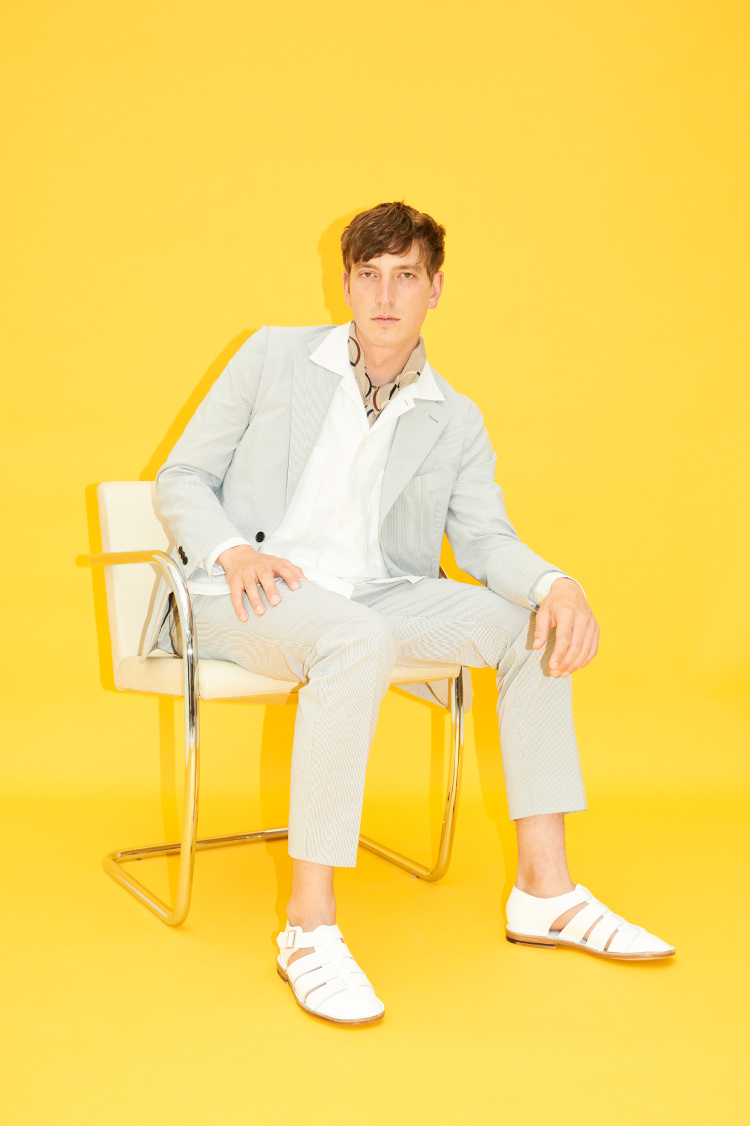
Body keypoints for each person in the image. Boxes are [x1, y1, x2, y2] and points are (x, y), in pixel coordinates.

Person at [143, 201, 674, 1026]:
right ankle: (308, 927)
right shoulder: (272, 356)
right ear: (346, 284)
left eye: (405, 275)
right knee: (356, 639)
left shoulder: (454, 417)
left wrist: (555, 586)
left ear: (435, 288)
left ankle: (546, 891)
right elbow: (181, 477)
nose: (385, 295)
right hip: (237, 595)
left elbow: (485, 538)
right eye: (369, 275)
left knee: (529, 627)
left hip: (374, 593)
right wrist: (233, 553)